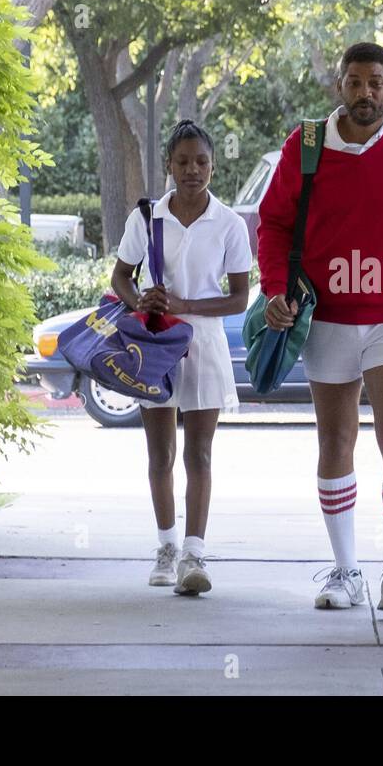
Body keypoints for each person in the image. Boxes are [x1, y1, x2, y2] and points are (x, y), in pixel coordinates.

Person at [257, 42, 383, 613]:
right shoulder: (305, 146)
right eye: (355, 81)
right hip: (324, 316)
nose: (365, 92)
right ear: (340, 86)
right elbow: (272, 224)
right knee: (336, 439)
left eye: (376, 82)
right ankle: (345, 572)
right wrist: (276, 289)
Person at [110, 119, 252, 596]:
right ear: (169, 165)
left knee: (200, 453)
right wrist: (138, 302)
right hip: (154, 346)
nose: (193, 170)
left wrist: (187, 305)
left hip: (205, 346)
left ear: (213, 165)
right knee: (160, 453)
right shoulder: (146, 218)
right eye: (184, 161)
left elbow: (239, 299)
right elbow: (120, 278)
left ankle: (195, 554)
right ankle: (166, 547)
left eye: (202, 161)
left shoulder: (230, 224)